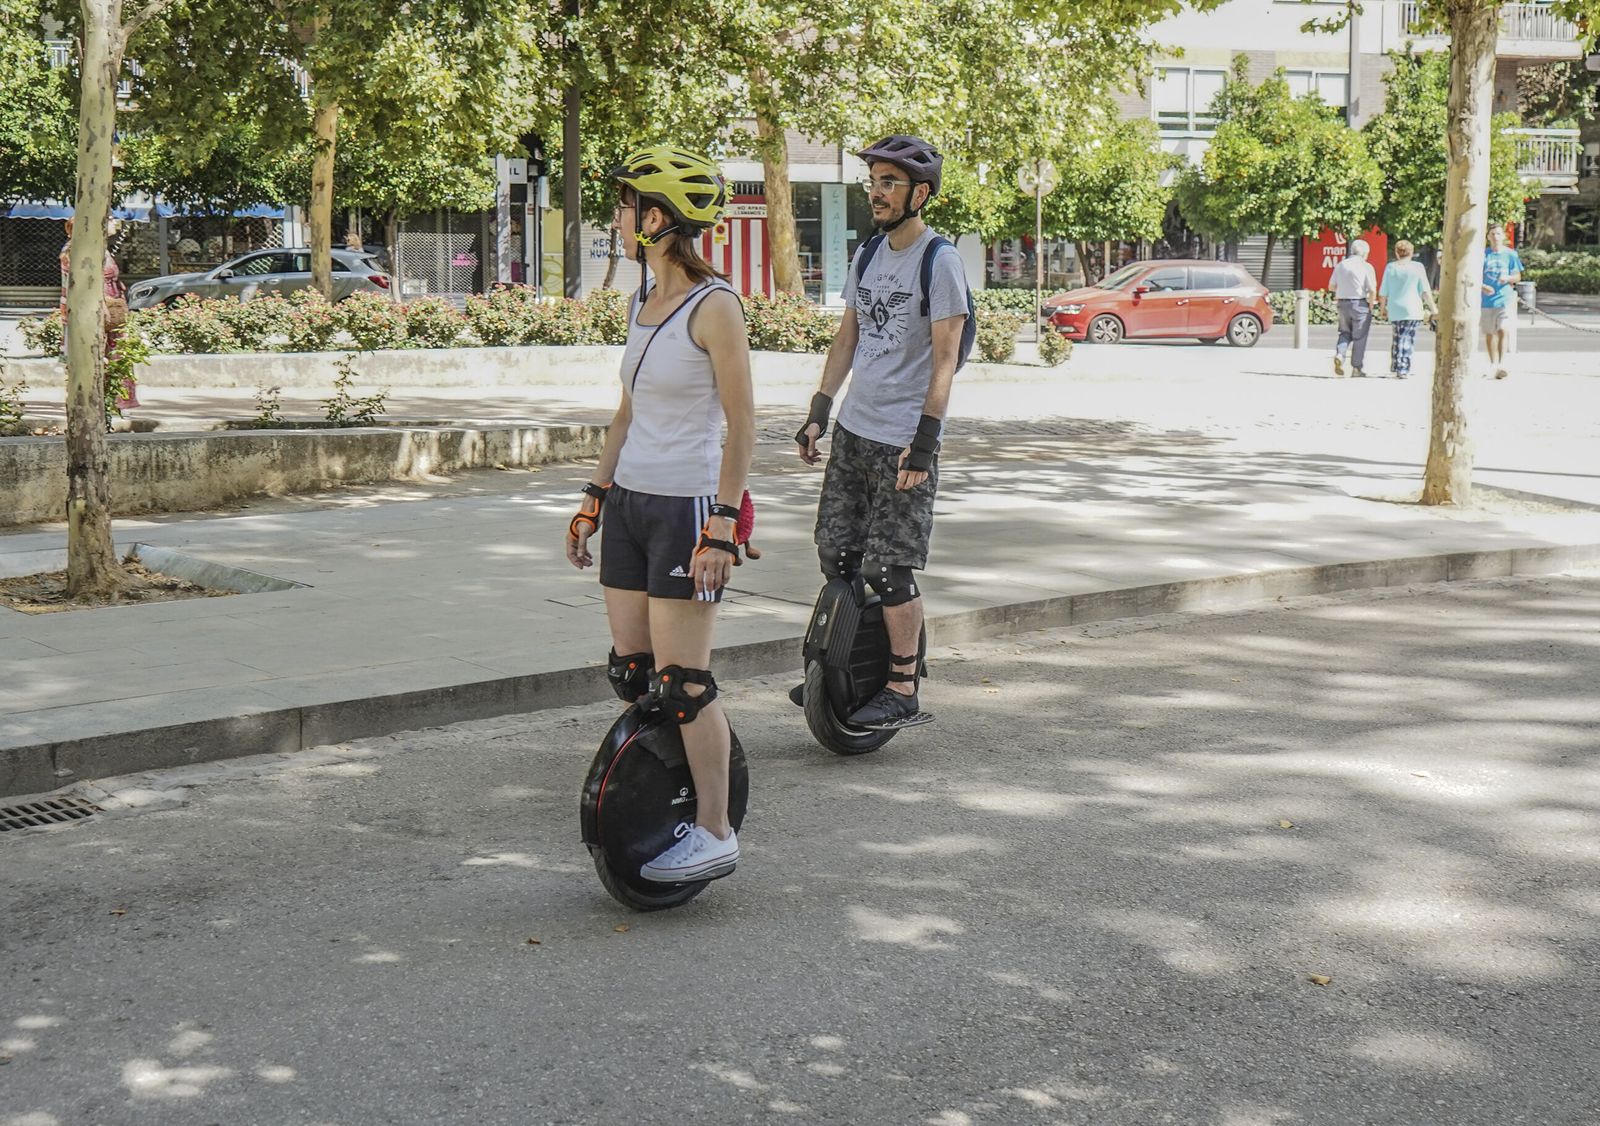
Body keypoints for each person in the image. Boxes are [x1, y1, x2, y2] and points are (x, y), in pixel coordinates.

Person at [564, 145, 754, 884]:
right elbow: (627, 412)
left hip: (687, 510)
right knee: (634, 672)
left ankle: (713, 829)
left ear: (654, 218)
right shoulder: (644, 303)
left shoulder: (717, 307)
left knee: (684, 683)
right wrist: (593, 500)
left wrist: (723, 527)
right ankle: (665, 794)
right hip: (634, 506)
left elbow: (742, 423)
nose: (614, 218)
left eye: (622, 206)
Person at [795, 135, 969, 727]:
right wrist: (820, 408)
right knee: (836, 554)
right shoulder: (868, 253)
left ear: (921, 194)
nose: (877, 192)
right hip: (853, 430)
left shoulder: (939, 261)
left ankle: (902, 687)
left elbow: (944, 360)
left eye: (889, 183)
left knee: (888, 569)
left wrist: (925, 442)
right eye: (874, 182)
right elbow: (847, 338)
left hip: (901, 438)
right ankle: (845, 667)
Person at [1377, 240, 1437, 380]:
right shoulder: (1417, 267)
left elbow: (1384, 291)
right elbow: (1425, 290)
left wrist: (1382, 309)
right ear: (1411, 252)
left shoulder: (1391, 267)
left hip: (1395, 308)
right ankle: (1403, 367)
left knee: (1398, 336)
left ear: (1397, 253)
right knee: (1407, 338)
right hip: (1413, 308)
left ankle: (1396, 364)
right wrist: (1433, 308)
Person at [1329, 237, 1377, 378]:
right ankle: (1356, 368)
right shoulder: (1366, 266)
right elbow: (1372, 289)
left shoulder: (1341, 265)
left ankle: (1340, 354)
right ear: (1365, 253)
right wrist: (1371, 305)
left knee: (1344, 333)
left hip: (1342, 303)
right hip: (1360, 304)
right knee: (1359, 337)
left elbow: (1331, 286)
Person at [1481, 225, 1524, 381]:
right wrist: (1482, 286)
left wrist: (1508, 279)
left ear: (1503, 236)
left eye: (1498, 233)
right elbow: (1475, 275)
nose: (1495, 236)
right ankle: (1493, 363)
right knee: (1489, 332)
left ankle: (1502, 363)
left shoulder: (1511, 255)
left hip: (1504, 298)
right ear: (1488, 236)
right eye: (1492, 234)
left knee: (1503, 329)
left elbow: (1517, 276)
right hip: (1486, 300)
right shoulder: (1483, 255)